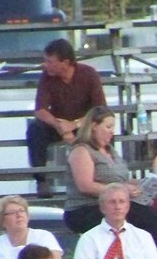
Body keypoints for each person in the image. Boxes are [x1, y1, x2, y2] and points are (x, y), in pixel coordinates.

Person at [63, 106, 157, 243]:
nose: (112, 132)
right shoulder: (82, 151)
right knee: (148, 217)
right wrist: (121, 189)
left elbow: (121, 179)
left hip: (113, 202)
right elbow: (85, 186)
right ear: (94, 127)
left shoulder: (111, 151)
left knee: (151, 214)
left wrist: (140, 184)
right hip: (86, 207)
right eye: (108, 127)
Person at [27, 38, 107, 196]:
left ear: (65, 62)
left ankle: (103, 174)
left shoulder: (88, 74)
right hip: (58, 123)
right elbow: (40, 110)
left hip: (85, 123)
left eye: (50, 61)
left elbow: (100, 109)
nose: (46, 65)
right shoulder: (47, 76)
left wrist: (75, 124)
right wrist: (59, 126)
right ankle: (41, 180)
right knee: (35, 130)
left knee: (102, 128)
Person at [71, 183, 157, 259]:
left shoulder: (143, 235)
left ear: (128, 206)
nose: (117, 207)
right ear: (102, 207)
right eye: (112, 202)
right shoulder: (88, 238)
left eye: (122, 202)